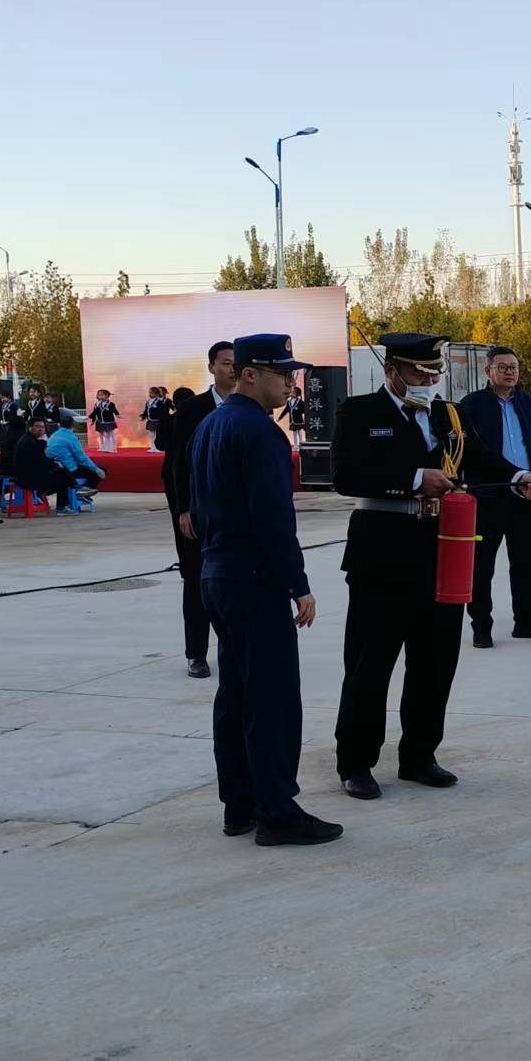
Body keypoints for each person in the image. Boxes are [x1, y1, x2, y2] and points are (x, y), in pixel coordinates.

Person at [331, 332, 531, 800]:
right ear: (391, 370)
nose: (429, 381)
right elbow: (346, 475)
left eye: (435, 373)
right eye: (419, 372)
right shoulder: (360, 412)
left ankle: (419, 755)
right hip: (382, 552)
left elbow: (481, 456)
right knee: (371, 662)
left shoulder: (447, 415)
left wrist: (518, 476)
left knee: (435, 661)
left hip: (443, 549)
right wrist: (414, 478)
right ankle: (356, 761)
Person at [190, 332, 340, 846]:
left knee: (235, 694)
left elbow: (200, 506)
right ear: (250, 375)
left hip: (218, 574)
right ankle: (277, 811)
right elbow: (273, 519)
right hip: (254, 579)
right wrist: (298, 585)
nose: (291, 383)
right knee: (272, 699)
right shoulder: (260, 432)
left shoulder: (211, 425)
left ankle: (240, 804)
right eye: (282, 373)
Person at [455, 346, 531, 647]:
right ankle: (481, 627)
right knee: (482, 566)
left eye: (514, 366)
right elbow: (473, 453)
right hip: (488, 497)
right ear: (488, 371)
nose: (510, 372)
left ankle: (526, 621)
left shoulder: (528, 404)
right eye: (503, 367)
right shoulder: (471, 405)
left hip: (526, 496)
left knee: (526, 563)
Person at [166, 342, 237, 679]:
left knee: (234, 579)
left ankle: (234, 647)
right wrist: (183, 510)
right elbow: (177, 464)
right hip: (197, 513)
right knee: (196, 580)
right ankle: (196, 653)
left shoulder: (248, 406)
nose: (232, 369)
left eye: (236, 363)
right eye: (225, 363)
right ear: (212, 367)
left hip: (234, 513)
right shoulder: (192, 410)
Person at [9, 420, 75, 512]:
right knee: (62, 477)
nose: (40, 429)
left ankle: (47, 494)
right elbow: (40, 460)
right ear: (30, 428)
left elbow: (40, 459)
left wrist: (54, 463)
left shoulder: (31, 439)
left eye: (42, 427)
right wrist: (54, 463)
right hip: (26, 477)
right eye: (37, 426)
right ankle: (60, 504)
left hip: (31, 472)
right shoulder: (28, 441)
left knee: (61, 471)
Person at [47, 417, 106, 499]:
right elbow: (81, 456)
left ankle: (83, 492)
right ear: (73, 425)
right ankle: (83, 491)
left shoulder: (53, 435)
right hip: (69, 470)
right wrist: (96, 469)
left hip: (54, 468)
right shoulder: (71, 437)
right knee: (101, 471)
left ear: (59, 425)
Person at [277, 384, 307, 450]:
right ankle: (295, 445)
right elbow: (285, 411)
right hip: (292, 420)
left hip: (299, 420)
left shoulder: (300, 402)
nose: (291, 393)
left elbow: (304, 410)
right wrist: (279, 418)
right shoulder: (289, 402)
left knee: (299, 432)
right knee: (294, 433)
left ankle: (301, 444)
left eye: (293, 392)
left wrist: (298, 410)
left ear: (297, 394)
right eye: (291, 392)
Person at [144, 387, 171, 452]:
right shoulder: (148, 401)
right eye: (149, 393)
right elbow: (146, 410)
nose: (150, 394)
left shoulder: (160, 401)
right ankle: (152, 447)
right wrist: (144, 416)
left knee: (157, 435)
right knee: (152, 435)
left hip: (157, 421)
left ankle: (158, 448)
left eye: (152, 393)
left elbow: (162, 411)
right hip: (150, 420)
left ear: (157, 394)